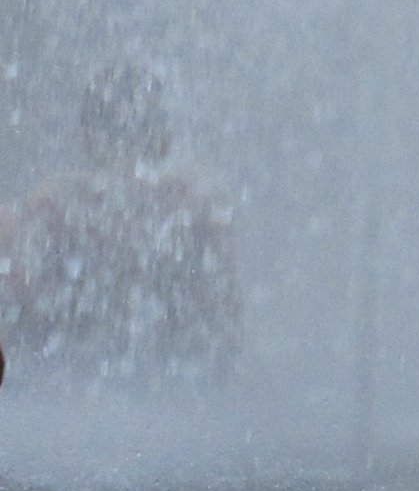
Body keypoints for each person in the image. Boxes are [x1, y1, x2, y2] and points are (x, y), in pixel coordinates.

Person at [0, 64, 239, 381]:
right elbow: (223, 323)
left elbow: (22, 307)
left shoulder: (55, 205)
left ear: (85, 139)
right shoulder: (196, 208)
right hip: (174, 376)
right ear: (164, 140)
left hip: (65, 376)